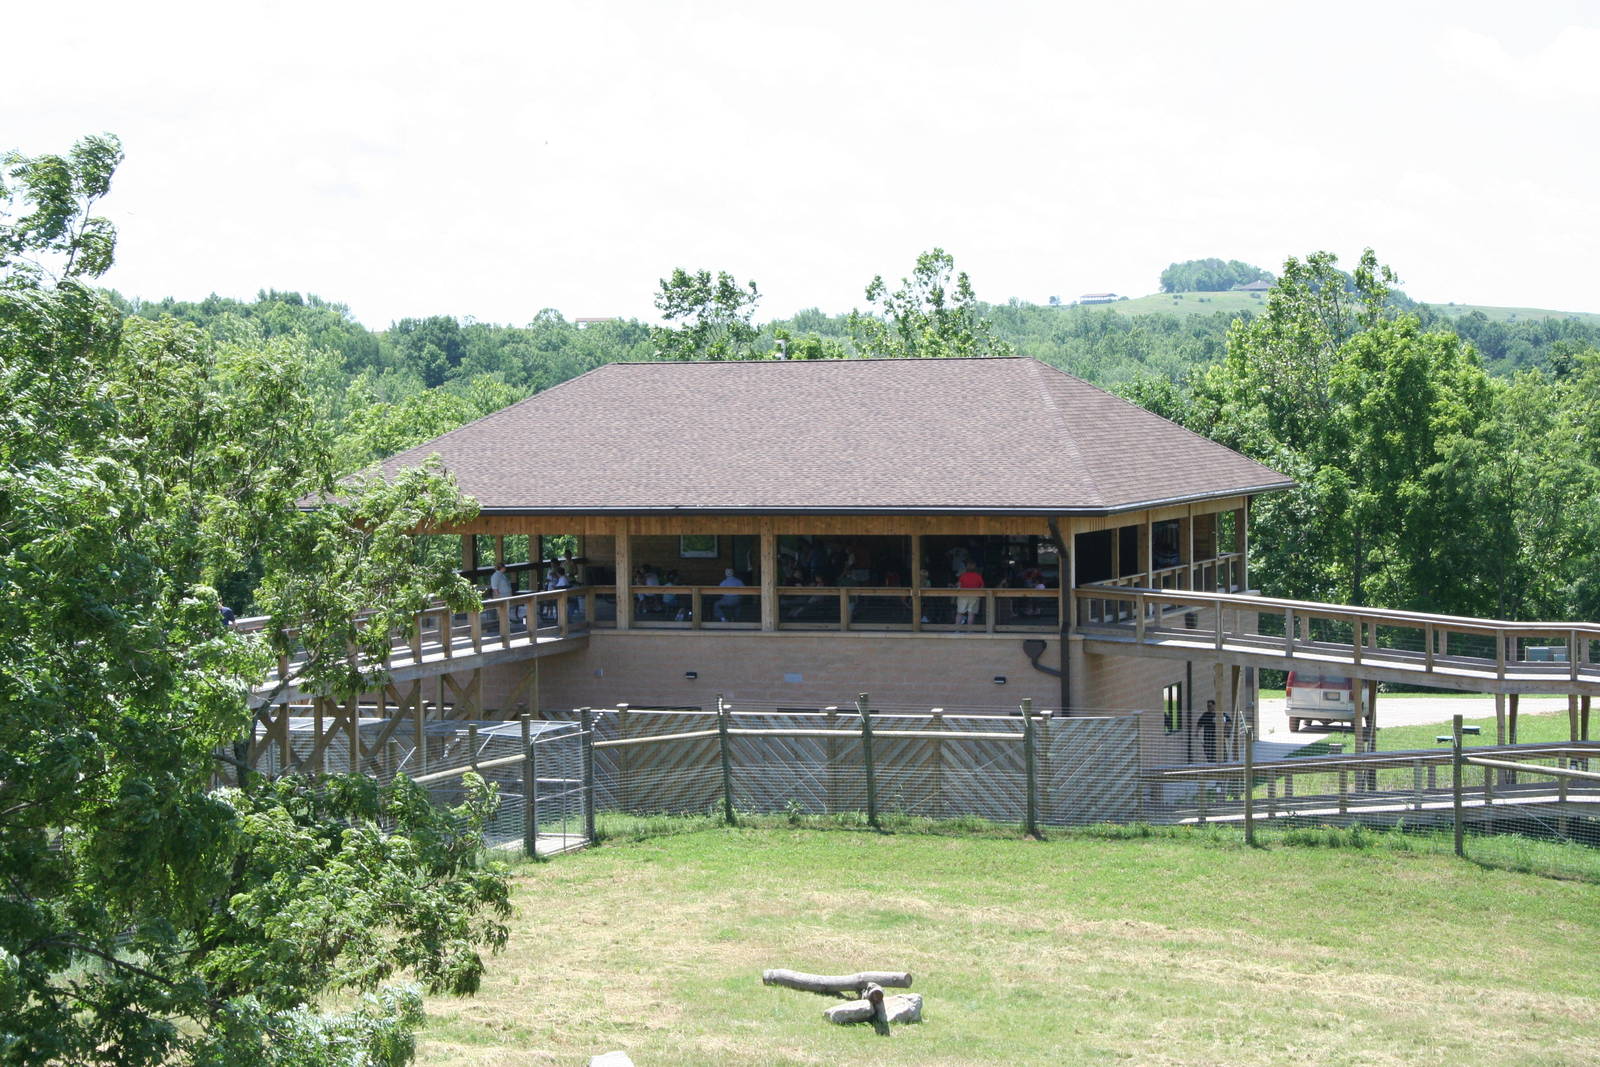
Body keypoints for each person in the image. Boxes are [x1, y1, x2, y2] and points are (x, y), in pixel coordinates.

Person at [955, 561, 983, 628]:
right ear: (975, 568)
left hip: (963, 595)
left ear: (966, 567)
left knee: (960, 613)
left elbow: (958, 585)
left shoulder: (963, 575)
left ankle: (956, 631)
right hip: (974, 596)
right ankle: (969, 631)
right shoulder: (978, 576)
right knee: (971, 614)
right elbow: (982, 586)